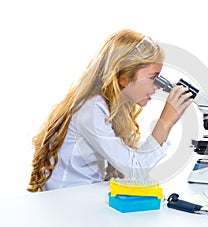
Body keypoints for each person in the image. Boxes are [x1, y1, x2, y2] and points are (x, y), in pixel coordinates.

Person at [27, 29, 193, 192]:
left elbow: (128, 160)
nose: (157, 86)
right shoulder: (91, 110)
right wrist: (166, 122)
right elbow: (135, 170)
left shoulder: (109, 106)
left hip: (80, 198)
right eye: (153, 77)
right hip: (67, 204)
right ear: (124, 77)